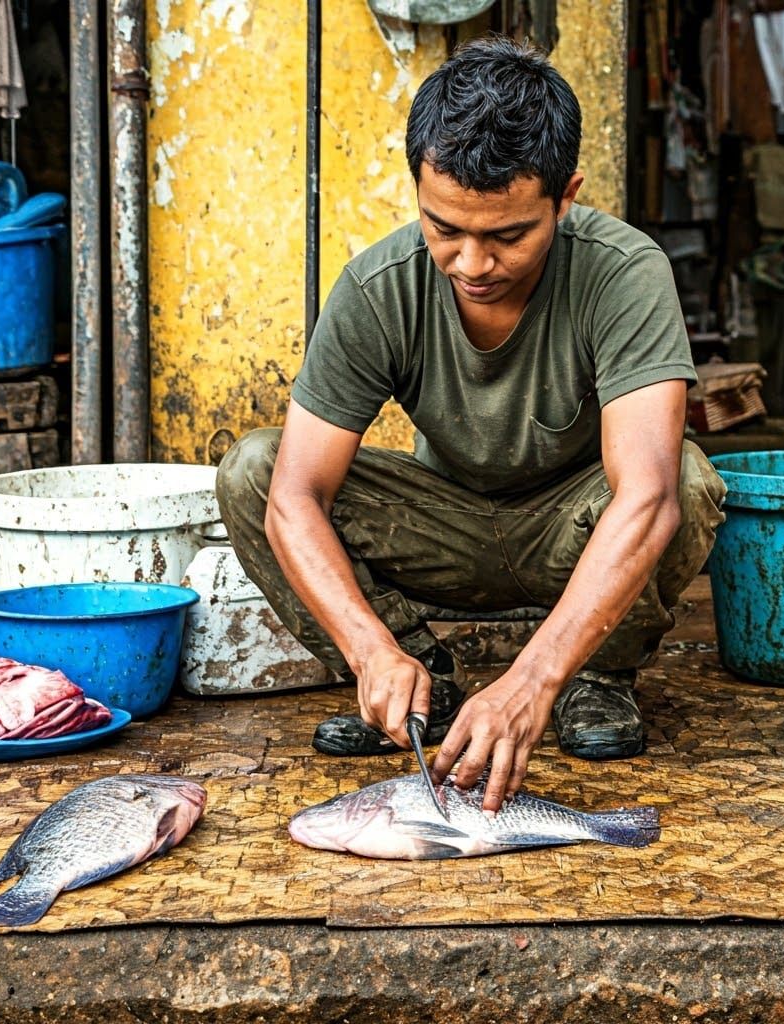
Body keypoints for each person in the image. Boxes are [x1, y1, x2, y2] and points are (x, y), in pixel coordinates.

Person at [216, 35, 726, 814]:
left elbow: (648, 496)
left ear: (567, 196)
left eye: (508, 235)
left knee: (683, 478)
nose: (471, 263)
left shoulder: (626, 272)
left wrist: (532, 680)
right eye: (444, 228)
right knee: (255, 469)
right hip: (443, 529)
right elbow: (294, 496)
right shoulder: (379, 285)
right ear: (418, 189)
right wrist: (369, 652)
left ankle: (596, 678)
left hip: (572, 532)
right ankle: (423, 686)